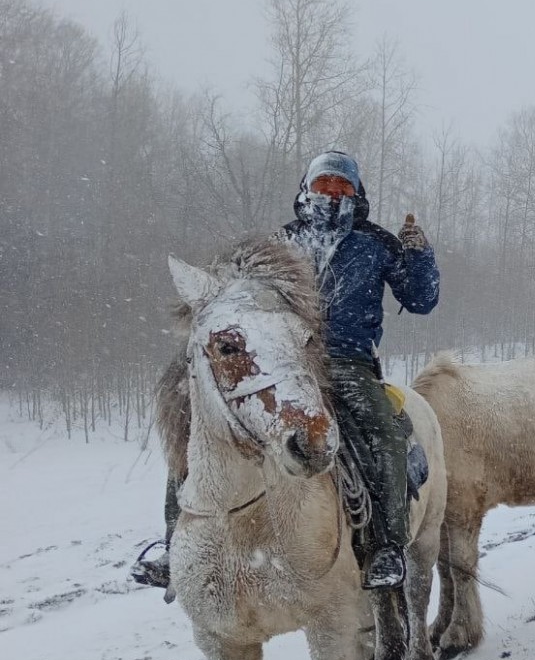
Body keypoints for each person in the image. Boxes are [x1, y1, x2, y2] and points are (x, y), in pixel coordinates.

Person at [133, 151, 439, 591]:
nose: (332, 194)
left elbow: (422, 300)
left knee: (384, 433)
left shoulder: (376, 243)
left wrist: (420, 255)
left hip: (347, 361)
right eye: (323, 185)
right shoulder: (282, 243)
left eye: (342, 187)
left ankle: (386, 546)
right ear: (306, 190)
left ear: (357, 194)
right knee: (195, 425)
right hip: (284, 361)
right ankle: (176, 547)